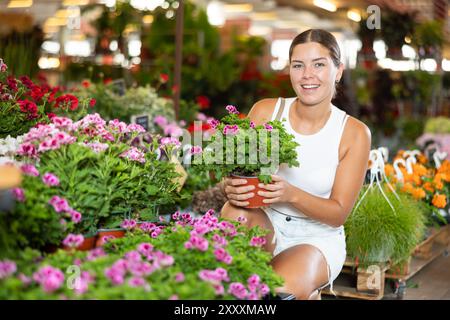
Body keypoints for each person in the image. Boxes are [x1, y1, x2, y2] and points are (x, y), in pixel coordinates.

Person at [220, 29, 371, 300]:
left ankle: (304, 289)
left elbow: (338, 214)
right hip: (267, 222)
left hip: (315, 237)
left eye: (319, 65)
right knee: (233, 214)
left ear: (338, 71)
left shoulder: (353, 133)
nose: (307, 75)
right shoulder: (266, 111)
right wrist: (230, 186)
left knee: (275, 294)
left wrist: (290, 194)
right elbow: (234, 171)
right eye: (298, 65)